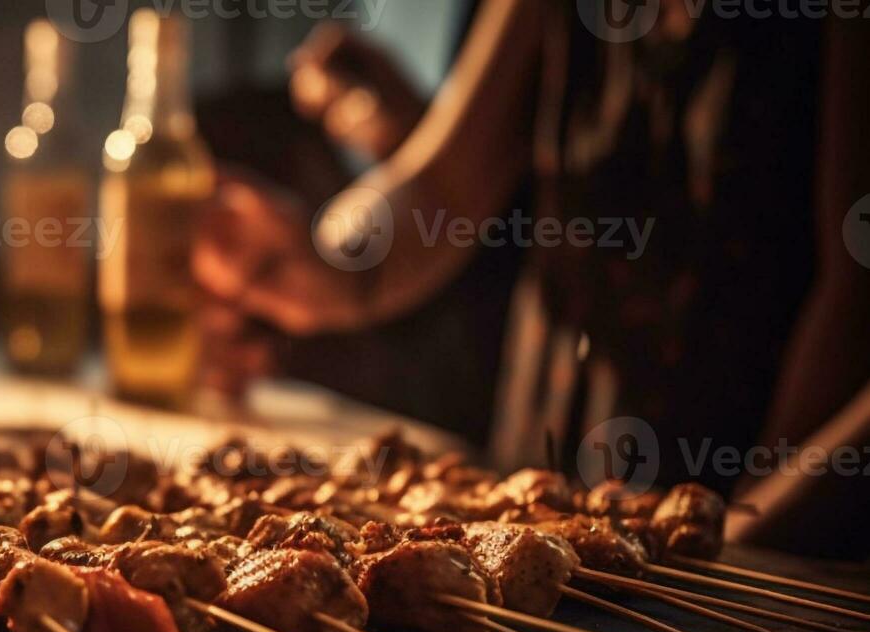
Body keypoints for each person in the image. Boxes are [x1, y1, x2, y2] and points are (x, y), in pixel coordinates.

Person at [195, 0, 870, 557]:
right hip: (542, 486)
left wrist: (755, 536)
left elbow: (854, 291)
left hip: (761, 515)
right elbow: (442, 190)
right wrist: (324, 266)